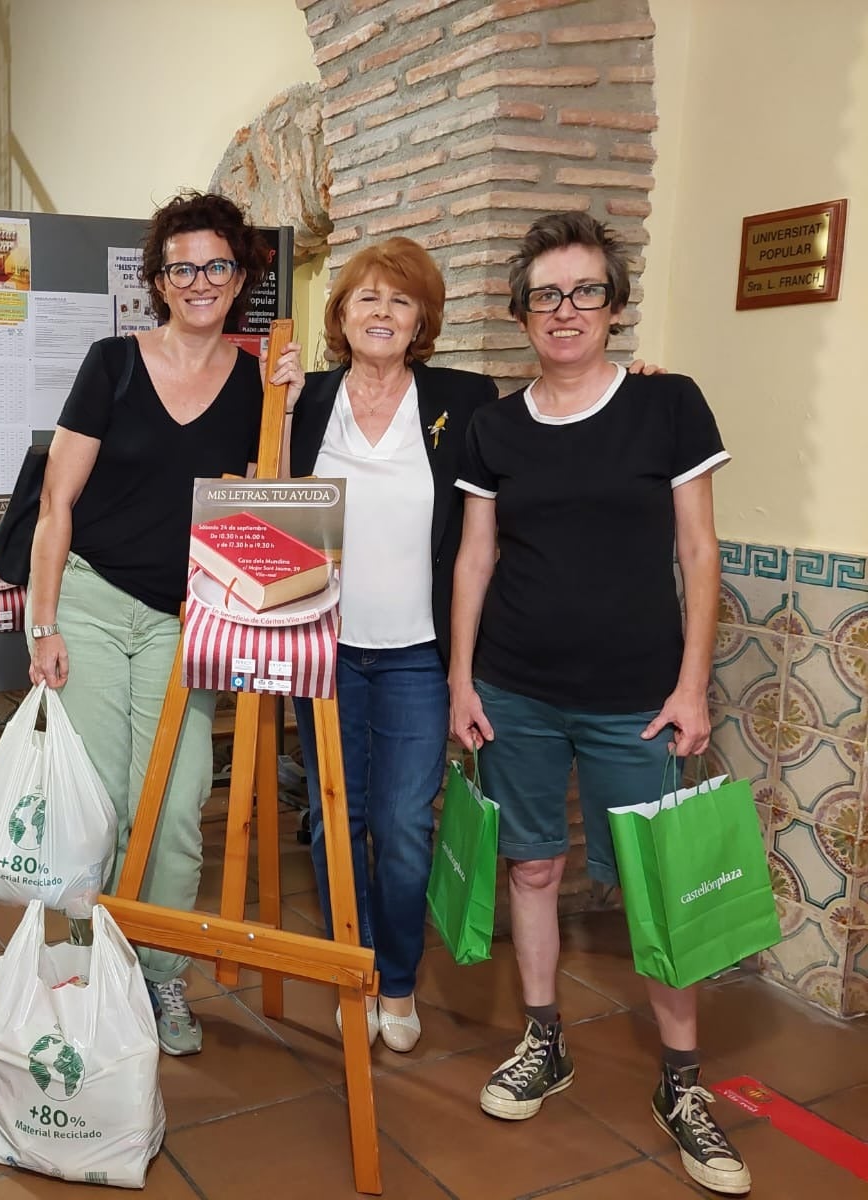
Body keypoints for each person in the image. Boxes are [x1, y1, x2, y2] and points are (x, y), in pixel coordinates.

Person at [449, 212, 747, 1195]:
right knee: (531, 871)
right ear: (522, 314)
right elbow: (476, 557)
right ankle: (545, 1042)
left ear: (614, 306)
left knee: (657, 885)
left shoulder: (668, 408)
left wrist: (691, 682)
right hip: (514, 691)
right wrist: (460, 681)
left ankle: (681, 1085)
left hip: (638, 700)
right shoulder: (492, 428)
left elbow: (697, 551)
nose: (564, 309)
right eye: (545, 294)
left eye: (583, 290)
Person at [26, 190, 303, 1057]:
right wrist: (43, 624)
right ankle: (75, 971)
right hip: (95, 604)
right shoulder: (112, 364)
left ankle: (158, 976)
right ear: (158, 279)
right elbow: (55, 503)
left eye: (216, 265)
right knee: (96, 802)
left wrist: (284, 413)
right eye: (181, 267)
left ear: (241, 275)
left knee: (179, 803)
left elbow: (274, 508)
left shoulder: (262, 379)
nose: (199, 280)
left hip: (192, 620)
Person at [285, 239, 497, 1052]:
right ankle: (356, 965)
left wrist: (642, 390)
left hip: (416, 653)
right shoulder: (304, 404)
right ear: (339, 315)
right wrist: (269, 397)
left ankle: (398, 980)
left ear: (422, 321)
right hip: (323, 647)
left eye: (400, 301)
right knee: (335, 817)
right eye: (365, 297)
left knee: (404, 823)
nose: (381, 312)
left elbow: (546, 428)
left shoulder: (466, 400)